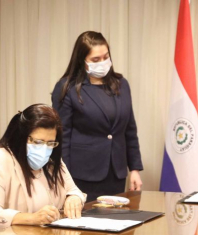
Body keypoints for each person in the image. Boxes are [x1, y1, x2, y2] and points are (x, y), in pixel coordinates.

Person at [0, 104, 86, 235]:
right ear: (21, 137)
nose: (45, 149)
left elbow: (74, 190)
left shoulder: (51, 161)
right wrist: (32, 219)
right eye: (38, 142)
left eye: (50, 143)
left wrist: (73, 198)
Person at [52, 31, 143, 202]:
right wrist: (64, 179)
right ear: (82, 60)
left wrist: (135, 169)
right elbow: (61, 136)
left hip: (115, 173)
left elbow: (129, 129)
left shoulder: (121, 85)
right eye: (95, 60)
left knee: (116, 224)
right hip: (81, 175)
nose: (102, 62)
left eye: (105, 57)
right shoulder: (67, 88)